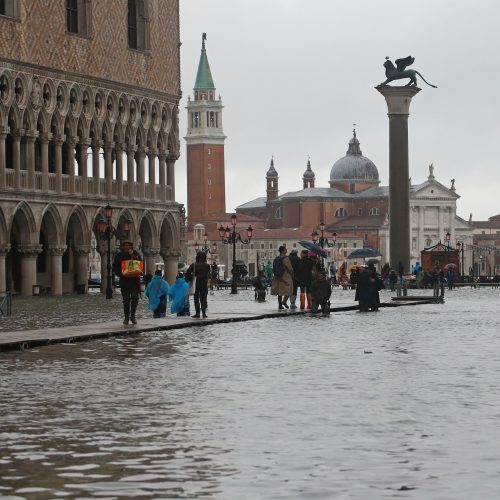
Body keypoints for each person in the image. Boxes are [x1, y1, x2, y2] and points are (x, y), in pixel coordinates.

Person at [112, 240, 142, 325]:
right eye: (125, 245)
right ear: (122, 246)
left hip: (134, 281)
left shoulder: (135, 253)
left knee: (135, 299)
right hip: (124, 281)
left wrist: (133, 255)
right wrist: (121, 274)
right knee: (126, 300)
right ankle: (126, 318)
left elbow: (140, 263)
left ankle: (133, 316)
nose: (127, 247)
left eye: (129, 245)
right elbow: (115, 267)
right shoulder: (119, 255)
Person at [185, 251, 211, 318]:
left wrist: (189, 279)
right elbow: (209, 275)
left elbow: (187, 273)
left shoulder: (193, 265)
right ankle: (204, 313)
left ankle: (197, 313)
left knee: (196, 299)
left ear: (197, 257)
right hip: (204, 284)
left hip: (196, 284)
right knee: (204, 299)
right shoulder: (207, 266)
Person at [271, 245, 294, 310]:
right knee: (290, 288)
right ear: (283, 250)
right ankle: (284, 301)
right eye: (285, 249)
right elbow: (290, 268)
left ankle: (280, 305)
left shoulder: (276, 258)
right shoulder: (286, 258)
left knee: (279, 291)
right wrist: (292, 274)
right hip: (285, 276)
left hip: (277, 277)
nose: (286, 250)